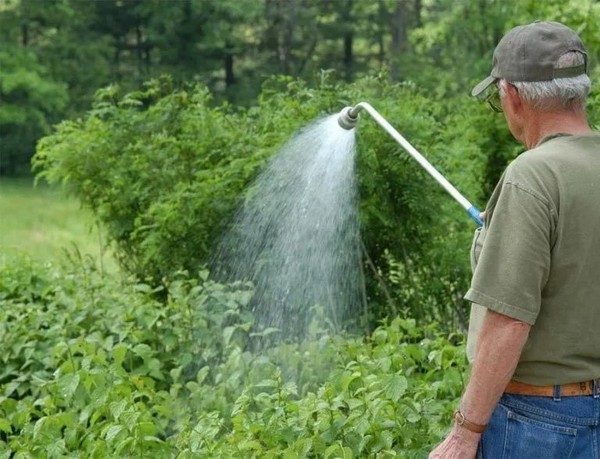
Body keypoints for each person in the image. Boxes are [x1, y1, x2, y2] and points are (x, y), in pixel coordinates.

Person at [429, 21, 600, 459]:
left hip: (539, 422)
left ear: (513, 95)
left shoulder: (533, 175)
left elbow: (509, 320)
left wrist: (465, 433)